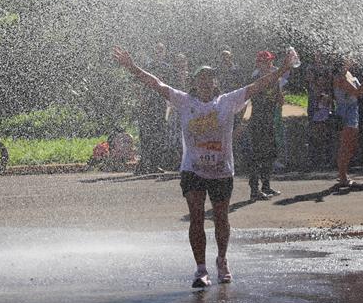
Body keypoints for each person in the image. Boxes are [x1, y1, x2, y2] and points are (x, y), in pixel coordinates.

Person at [112, 45, 296, 288]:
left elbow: (258, 85)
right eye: (201, 78)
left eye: (209, 78)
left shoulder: (228, 101)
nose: (206, 82)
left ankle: (222, 260)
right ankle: (200, 269)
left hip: (221, 171)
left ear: (215, 83)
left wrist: (283, 69)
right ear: (195, 82)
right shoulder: (184, 101)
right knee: (196, 218)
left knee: (221, 218)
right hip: (193, 170)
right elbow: (157, 84)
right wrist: (132, 67)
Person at [247, 51, 283, 200]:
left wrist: (279, 97)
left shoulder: (275, 78)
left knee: (270, 154)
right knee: (257, 156)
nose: (270, 64)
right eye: (265, 62)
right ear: (258, 64)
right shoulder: (256, 79)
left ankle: (266, 186)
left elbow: (278, 97)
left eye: (270, 61)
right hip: (258, 121)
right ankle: (254, 190)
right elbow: (256, 99)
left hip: (269, 120)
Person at [137, 42, 172, 174]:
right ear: (153, 52)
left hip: (160, 104)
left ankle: (155, 164)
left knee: (159, 133)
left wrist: (169, 103)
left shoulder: (167, 68)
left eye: (161, 50)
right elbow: (138, 85)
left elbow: (170, 88)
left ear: (165, 53)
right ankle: (144, 163)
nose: (159, 53)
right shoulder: (147, 67)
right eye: (157, 50)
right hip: (147, 103)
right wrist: (142, 102)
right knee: (146, 134)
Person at [334, 59, 363, 186]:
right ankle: (342, 176)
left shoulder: (350, 74)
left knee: (351, 145)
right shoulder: (339, 77)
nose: (352, 60)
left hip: (353, 112)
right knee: (345, 145)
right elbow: (357, 92)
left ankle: (343, 173)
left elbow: (361, 91)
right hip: (345, 113)